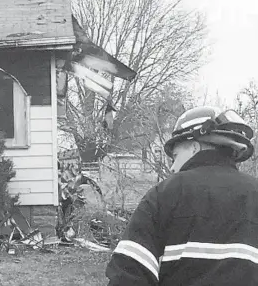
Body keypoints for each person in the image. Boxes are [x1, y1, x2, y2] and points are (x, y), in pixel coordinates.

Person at [106, 106, 258, 286]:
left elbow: (129, 273)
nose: (172, 167)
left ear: (194, 147)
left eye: (175, 156)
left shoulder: (164, 194)